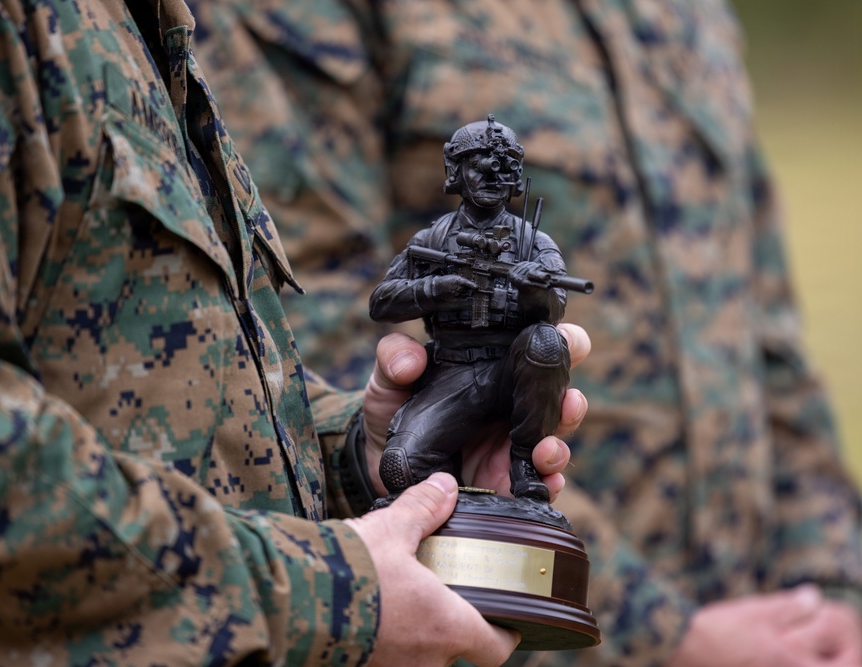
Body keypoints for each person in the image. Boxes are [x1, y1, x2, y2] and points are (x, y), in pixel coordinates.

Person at [0, 2, 590, 666]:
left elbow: (159, 371)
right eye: (478, 167)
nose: (495, 178)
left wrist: (348, 454)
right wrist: (331, 595)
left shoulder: (140, 28)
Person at [188, 1, 862, 665]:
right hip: (490, 624)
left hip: (757, 621)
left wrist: (830, 597)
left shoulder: (691, 15)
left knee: (544, 349)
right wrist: (658, 637)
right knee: (401, 462)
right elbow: (294, 329)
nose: (498, 179)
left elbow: (767, 339)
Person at [369, 115, 575, 512]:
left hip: (512, 371)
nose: (490, 174)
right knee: (397, 469)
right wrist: (435, 289)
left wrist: (533, 290)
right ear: (456, 172)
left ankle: (526, 468)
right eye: (478, 163)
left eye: (502, 167)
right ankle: (451, 485)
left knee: (548, 342)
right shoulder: (433, 239)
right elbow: (381, 302)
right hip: (453, 371)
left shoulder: (534, 242)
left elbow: (557, 305)